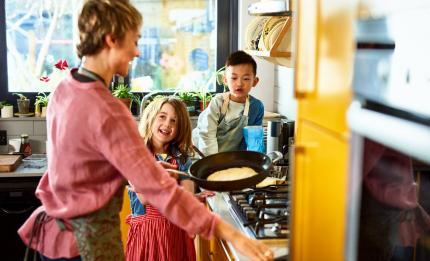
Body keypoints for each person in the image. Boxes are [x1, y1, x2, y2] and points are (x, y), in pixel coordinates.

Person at [17, 1, 273, 261]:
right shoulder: (109, 111)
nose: (137, 52)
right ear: (112, 39)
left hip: (52, 238)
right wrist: (234, 235)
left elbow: (84, 168)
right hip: (86, 248)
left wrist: (159, 171)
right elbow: (157, 191)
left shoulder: (65, 89)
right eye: (135, 40)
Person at [126, 96, 213, 260]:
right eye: (162, 117)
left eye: (174, 121)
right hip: (147, 236)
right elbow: (144, 197)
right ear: (151, 117)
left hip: (177, 234)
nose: (167, 124)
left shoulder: (183, 159)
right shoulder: (136, 155)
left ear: (181, 128)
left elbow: (187, 195)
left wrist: (196, 198)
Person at [192, 50, 264, 155]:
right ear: (225, 80)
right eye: (234, 78)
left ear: (255, 81)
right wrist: (212, 163)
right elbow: (207, 135)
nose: (239, 83)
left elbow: (254, 141)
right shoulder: (218, 102)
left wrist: (255, 162)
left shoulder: (257, 107)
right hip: (204, 154)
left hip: (231, 158)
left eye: (246, 78)